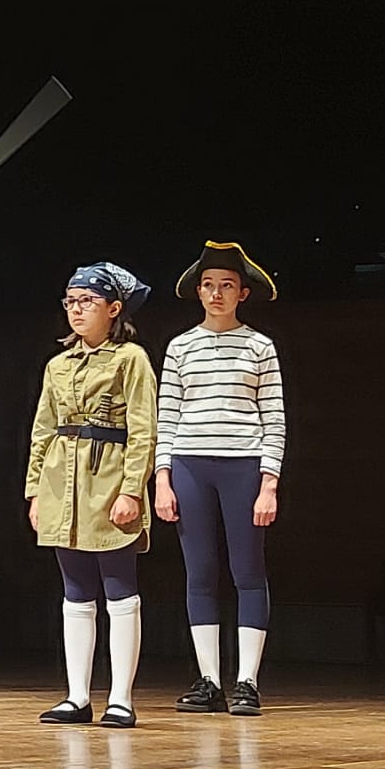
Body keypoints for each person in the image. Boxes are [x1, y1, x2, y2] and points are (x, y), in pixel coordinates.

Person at [154, 242, 285, 717]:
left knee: (248, 571)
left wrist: (269, 482)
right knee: (200, 572)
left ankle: (246, 681)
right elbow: (166, 417)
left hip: (243, 464)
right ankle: (209, 679)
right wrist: (162, 479)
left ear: (242, 293)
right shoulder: (180, 346)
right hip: (190, 463)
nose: (216, 293)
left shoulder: (259, 346)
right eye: (208, 285)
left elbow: (274, 416)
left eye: (226, 285)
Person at [29, 264, 156, 728]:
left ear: (114, 308)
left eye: (87, 301)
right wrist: (35, 492)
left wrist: (132, 491)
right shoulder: (57, 365)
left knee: (119, 588)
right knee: (75, 592)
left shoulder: (130, 359)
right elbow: (43, 430)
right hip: (63, 484)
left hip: (109, 481)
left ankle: (120, 697)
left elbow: (143, 430)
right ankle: (77, 695)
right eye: (70, 301)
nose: (76, 310)